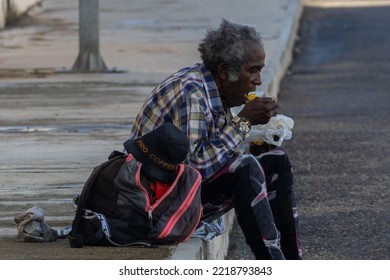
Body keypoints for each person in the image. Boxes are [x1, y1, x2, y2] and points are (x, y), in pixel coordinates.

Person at [126, 19, 300, 259]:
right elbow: (194, 168)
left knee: (276, 161)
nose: (258, 80)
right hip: (155, 202)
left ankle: (293, 260)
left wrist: (255, 141)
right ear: (224, 71)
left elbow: (215, 151)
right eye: (252, 70)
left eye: (260, 70)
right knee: (246, 167)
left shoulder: (218, 91)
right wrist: (243, 122)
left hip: (180, 191)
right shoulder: (192, 92)